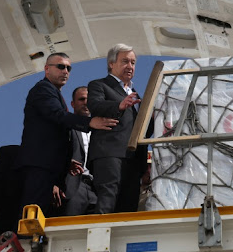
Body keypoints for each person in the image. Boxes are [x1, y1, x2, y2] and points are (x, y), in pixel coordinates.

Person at [17, 53, 117, 217]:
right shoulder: (43, 89)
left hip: (52, 169)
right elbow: (56, 115)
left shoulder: (54, 93)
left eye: (68, 68)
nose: (65, 71)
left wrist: (66, 162)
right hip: (40, 167)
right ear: (46, 69)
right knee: (32, 217)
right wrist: (90, 122)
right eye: (61, 66)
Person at [87, 44, 153, 214]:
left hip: (133, 159)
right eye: (125, 61)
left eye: (133, 63)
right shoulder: (99, 85)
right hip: (109, 154)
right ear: (111, 63)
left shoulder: (135, 93)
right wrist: (119, 105)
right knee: (108, 200)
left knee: (129, 205)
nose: (130, 66)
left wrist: (153, 120)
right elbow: (95, 105)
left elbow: (140, 130)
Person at [59, 87, 98, 216]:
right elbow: (53, 152)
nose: (86, 102)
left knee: (97, 233)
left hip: (97, 190)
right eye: (81, 99)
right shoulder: (65, 126)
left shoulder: (102, 131)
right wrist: (54, 184)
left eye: (89, 99)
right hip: (72, 187)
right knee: (67, 232)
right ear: (73, 104)